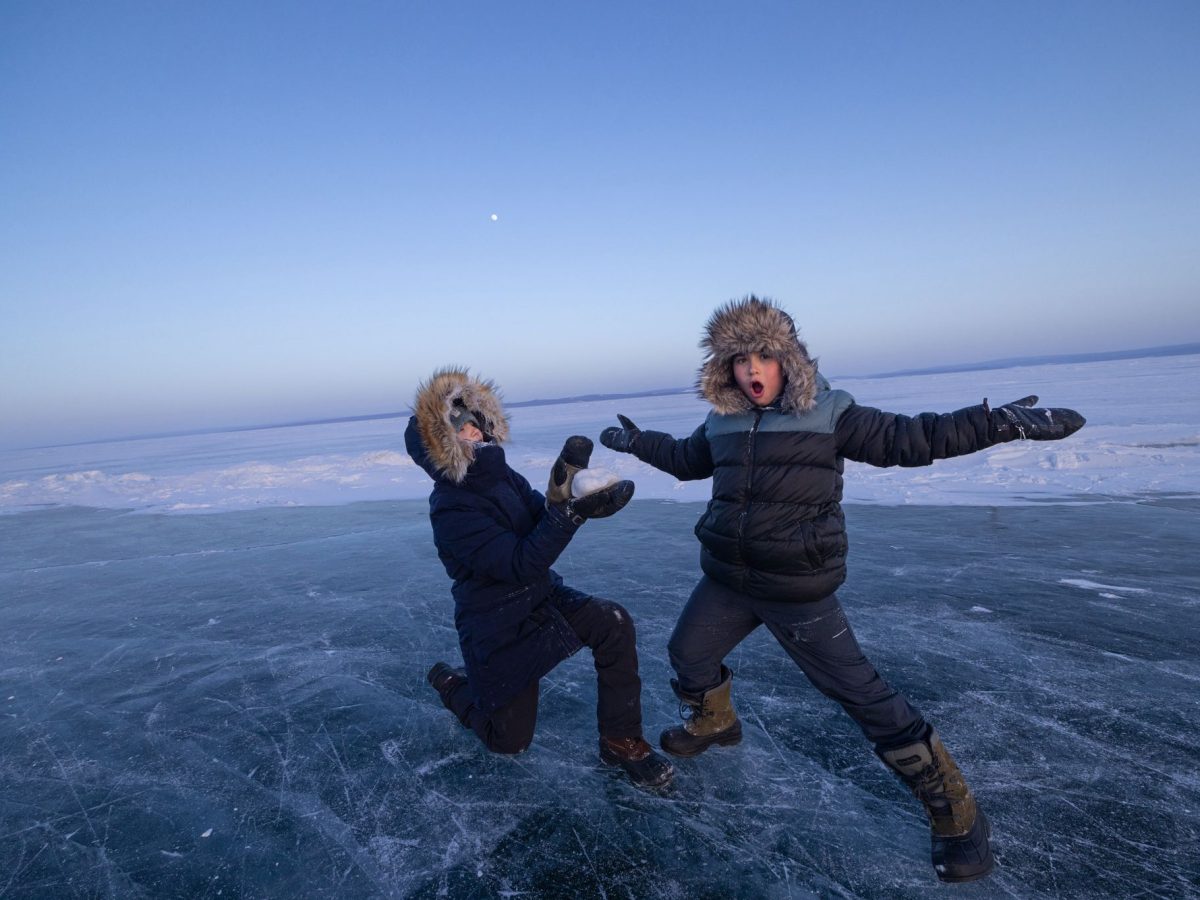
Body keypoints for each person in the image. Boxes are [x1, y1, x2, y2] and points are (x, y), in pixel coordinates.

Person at [599, 295, 1085, 881]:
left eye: (763, 356)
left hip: (797, 587)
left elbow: (914, 438)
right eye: (739, 360)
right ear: (724, 368)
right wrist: (636, 443)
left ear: (788, 359)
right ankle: (715, 723)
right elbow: (685, 459)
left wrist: (996, 423)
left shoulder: (830, 413)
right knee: (688, 654)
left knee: (865, 700)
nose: (751, 370)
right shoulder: (721, 422)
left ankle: (958, 817)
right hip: (727, 578)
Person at [405, 367, 674, 788]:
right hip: (497, 626)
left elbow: (537, 519)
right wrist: (571, 516)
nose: (475, 435)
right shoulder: (450, 509)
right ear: (442, 447)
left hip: (541, 598)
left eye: (476, 426)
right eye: (463, 431)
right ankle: (454, 684)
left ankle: (621, 740)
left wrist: (570, 495)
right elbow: (518, 562)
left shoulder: (500, 475)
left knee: (612, 622)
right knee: (508, 742)